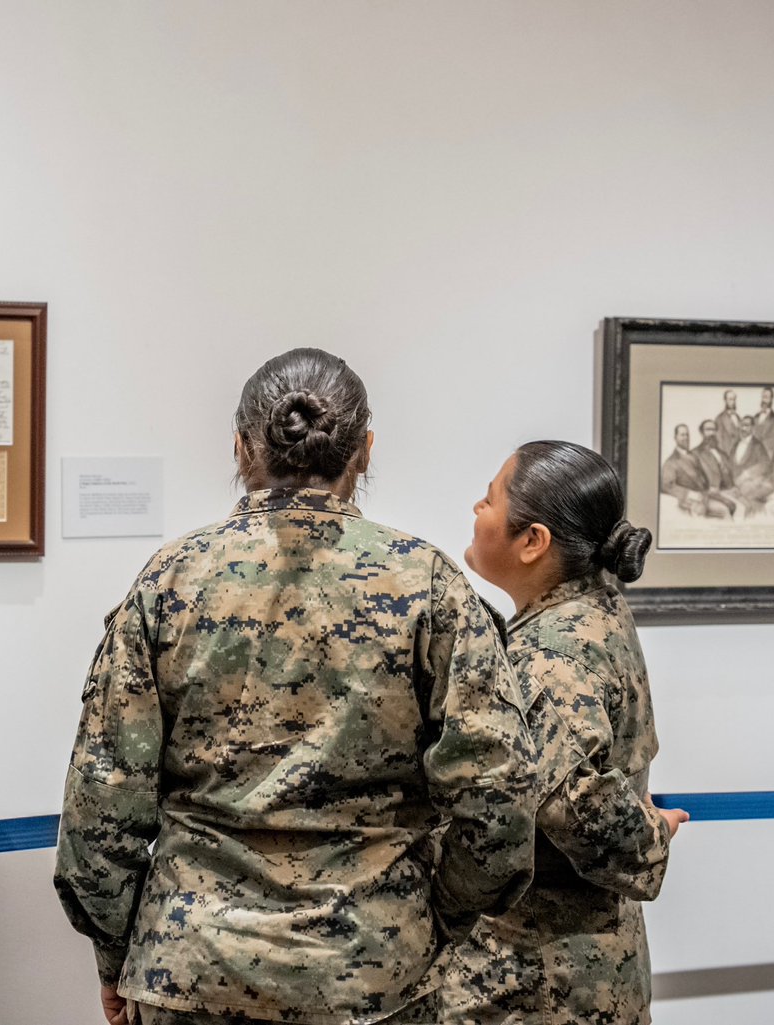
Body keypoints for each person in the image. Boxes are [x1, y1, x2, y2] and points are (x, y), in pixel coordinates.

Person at [54, 349, 538, 1025]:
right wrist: (430, 917)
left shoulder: (171, 580)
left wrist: (118, 953)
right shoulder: (427, 584)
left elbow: (101, 807)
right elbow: (500, 798)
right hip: (375, 971)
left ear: (240, 445)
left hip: (192, 968)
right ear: (364, 451)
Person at [441, 441, 688, 1025]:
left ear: (533, 541)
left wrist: (653, 834)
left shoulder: (551, 650)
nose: (478, 508)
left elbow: (577, 805)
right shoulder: (595, 608)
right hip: (585, 966)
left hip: (541, 980)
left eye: (492, 499)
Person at [752, 386, 774, 458]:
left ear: (771, 399)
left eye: (767, 397)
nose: (764, 400)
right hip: (753, 454)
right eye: (763, 397)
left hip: (767, 454)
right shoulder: (756, 417)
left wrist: (759, 447)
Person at [714, 389, 742, 456]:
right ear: (725, 400)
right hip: (727, 454)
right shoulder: (719, 418)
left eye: (734, 399)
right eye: (730, 399)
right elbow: (718, 441)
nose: (732, 402)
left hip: (738, 454)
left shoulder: (738, 418)